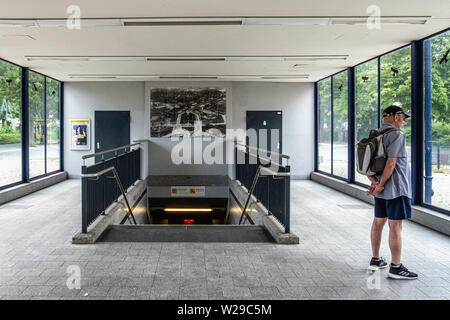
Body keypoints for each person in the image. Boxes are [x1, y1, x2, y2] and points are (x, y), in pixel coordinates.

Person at [366, 105, 418, 280]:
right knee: (396, 226)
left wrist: (376, 183)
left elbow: (366, 163)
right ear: (396, 117)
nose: (403, 122)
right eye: (403, 118)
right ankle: (396, 267)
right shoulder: (396, 135)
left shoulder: (376, 134)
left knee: (378, 222)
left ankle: (376, 259)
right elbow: (391, 163)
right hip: (396, 188)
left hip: (381, 188)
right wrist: (381, 184)